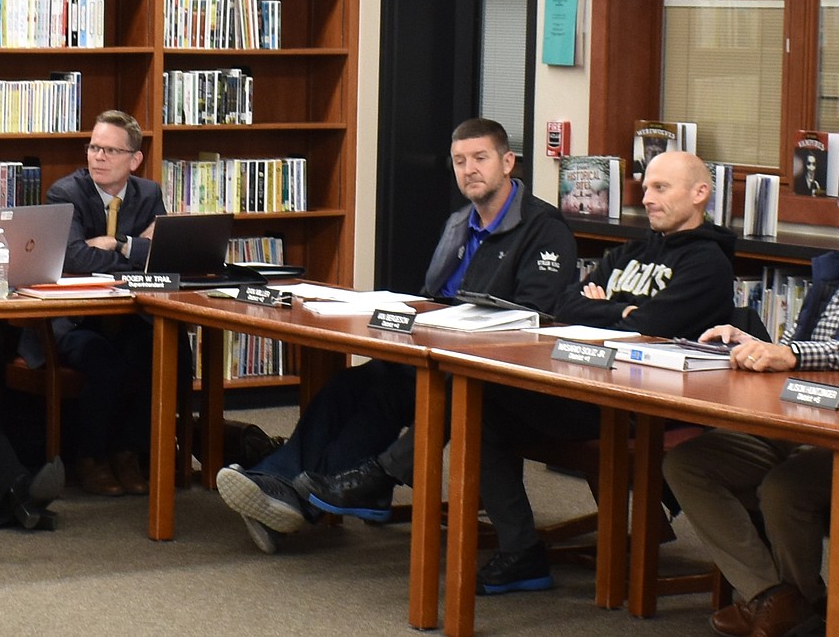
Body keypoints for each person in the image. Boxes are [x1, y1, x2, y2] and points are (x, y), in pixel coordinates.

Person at [301, 150, 737, 595]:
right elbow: (565, 304)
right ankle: (521, 552)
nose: (646, 198)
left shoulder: (707, 264)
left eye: (660, 188)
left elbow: (652, 325)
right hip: (587, 383)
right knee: (477, 401)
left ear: (700, 193)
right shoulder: (633, 250)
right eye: (644, 188)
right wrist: (620, 309)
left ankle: (383, 475)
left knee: (473, 393)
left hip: (638, 403)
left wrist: (608, 307)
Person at [214, 117, 579, 554]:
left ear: (508, 162)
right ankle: (284, 486)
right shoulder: (459, 222)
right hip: (435, 351)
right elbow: (431, 296)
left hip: (491, 374)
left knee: (393, 393)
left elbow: (536, 318)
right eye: (460, 161)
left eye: (480, 159)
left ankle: (291, 489)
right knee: (352, 386)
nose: (470, 170)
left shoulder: (544, 228)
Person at [662, 163, 839, 637]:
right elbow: (794, 346)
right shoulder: (834, 271)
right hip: (795, 422)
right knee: (688, 463)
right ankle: (776, 597)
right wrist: (748, 341)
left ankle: (794, 607)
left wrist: (790, 353)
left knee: (785, 489)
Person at [34, 110, 164, 497]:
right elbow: (73, 258)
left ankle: (128, 453)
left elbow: (164, 255)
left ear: (134, 159)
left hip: (125, 316)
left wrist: (118, 242)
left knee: (161, 348)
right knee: (105, 360)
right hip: (70, 320)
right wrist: (138, 249)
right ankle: (89, 458)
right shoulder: (66, 193)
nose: (98, 157)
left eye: (109, 150)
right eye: (93, 147)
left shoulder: (149, 193)